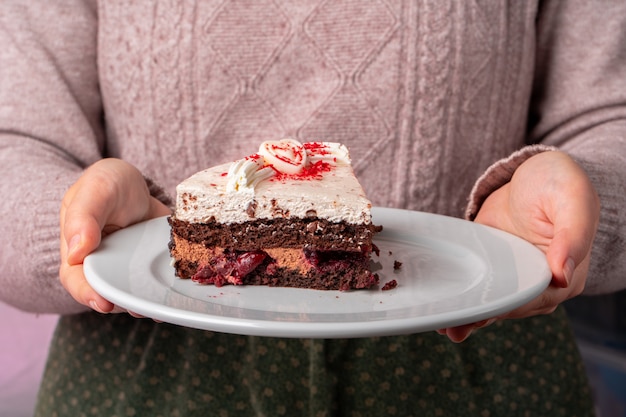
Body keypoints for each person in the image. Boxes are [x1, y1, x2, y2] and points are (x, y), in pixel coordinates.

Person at [1, 0, 624, 415]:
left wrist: (588, 195)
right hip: (137, 379)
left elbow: (609, 115)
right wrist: (71, 227)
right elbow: (14, 140)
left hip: (486, 366)